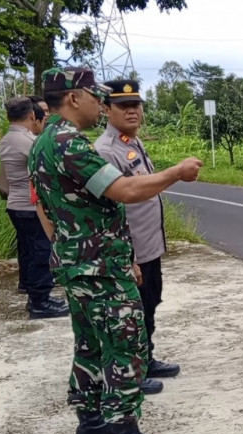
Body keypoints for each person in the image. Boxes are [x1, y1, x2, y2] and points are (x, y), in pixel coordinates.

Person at [28, 67, 202, 434]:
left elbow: (51, 208)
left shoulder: (43, 141)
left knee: (89, 344)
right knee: (124, 344)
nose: (98, 103)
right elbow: (123, 190)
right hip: (98, 266)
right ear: (74, 97)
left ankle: (90, 425)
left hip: (76, 263)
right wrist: (176, 173)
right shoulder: (71, 143)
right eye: (94, 95)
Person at [94, 80, 180, 391]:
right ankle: (132, 372)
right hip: (130, 250)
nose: (132, 111)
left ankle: (147, 357)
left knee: (149, 303)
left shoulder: (132, 143)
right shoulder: (105, 150)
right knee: (129, 314)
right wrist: (127, 257)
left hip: (149, 246)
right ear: (106, 109)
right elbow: (112, 206)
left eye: (136, 105)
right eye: (122, 105)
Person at [0, 96, 68, 318]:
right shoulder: (27, 142)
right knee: (42, 252)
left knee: (30, 251)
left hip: (16, 204)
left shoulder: (7, 139)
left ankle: (35, 296)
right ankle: (40, 302)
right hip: (30, 206)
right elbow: (53, 164)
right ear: (31, 115)